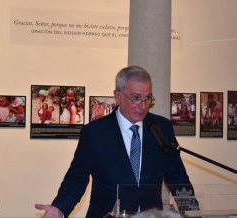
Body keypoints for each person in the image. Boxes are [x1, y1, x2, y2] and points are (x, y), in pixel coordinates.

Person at [35, 66, 195, 218]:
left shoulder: (161, 128)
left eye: (148, 98)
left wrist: (193, 212)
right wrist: (60, 209)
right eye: (136, 98)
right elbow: (77, 178)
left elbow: (177, 177)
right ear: (118, 96)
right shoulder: (95, 133)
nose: (143, 106)